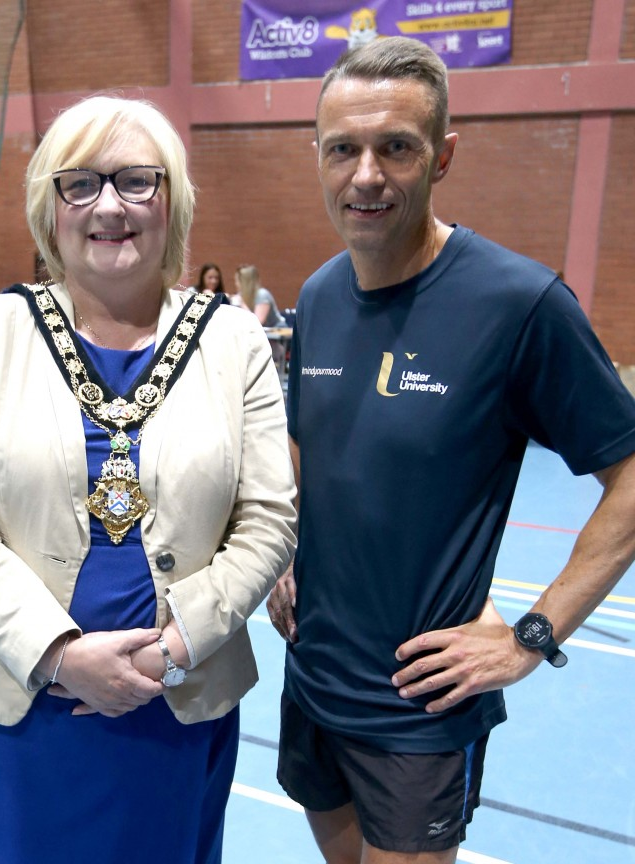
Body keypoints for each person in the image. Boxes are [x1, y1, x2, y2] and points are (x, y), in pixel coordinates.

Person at [266, 36, 635, 864]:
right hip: (312, 679)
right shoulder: (320, 295)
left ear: (443, 156)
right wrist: (283, 552)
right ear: (318, 158)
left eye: (396, 147)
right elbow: (307, 447)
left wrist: (533, 634)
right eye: (343, 149)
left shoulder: (518, 302)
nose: (366, 175)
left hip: (417, 709)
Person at [0, 94, 296, 864]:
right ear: (48, 206)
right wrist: (59, 653)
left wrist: (175, 648)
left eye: (136, 180)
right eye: (80, 183)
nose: (109, 206)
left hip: (172, 708)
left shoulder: (232, 339)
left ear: (174, 200)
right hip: (22, 707)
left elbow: (267, 521)